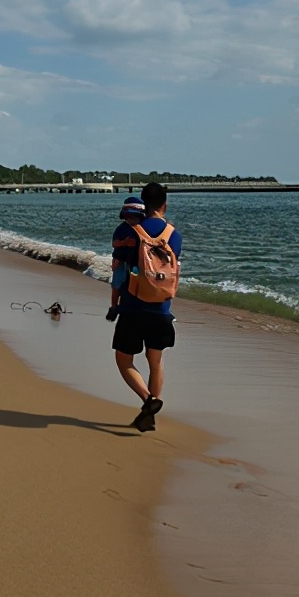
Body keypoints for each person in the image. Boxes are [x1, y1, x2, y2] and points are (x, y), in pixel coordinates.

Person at [110, 182, 181, 432]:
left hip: (132, 307)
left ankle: (150, 400)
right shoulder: (174, 234)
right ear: (164, 204)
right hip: (161, 308)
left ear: (143, 202)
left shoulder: (129, 231)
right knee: (155, 360)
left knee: (123, 360)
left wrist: (114, 303)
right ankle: (149, 415)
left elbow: (119, 272)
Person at [106, 196, 147, 320]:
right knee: (117, 284)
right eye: (130, 218)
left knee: (135, 282)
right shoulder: (122, 228)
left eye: (135, 218)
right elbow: (114, 243)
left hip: (134, 260)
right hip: (120, 259)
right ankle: (113, 306)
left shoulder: (141, 228)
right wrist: (124, 243)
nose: (133, 220)